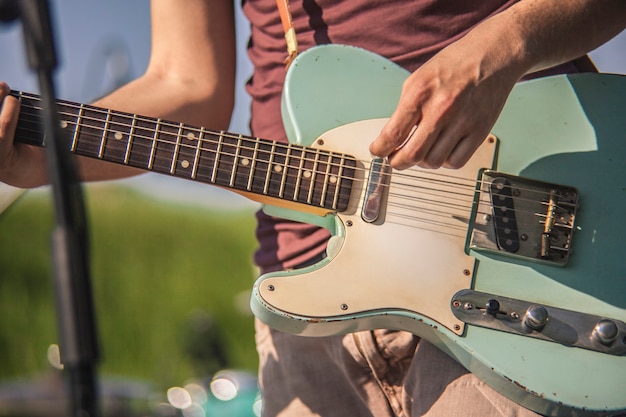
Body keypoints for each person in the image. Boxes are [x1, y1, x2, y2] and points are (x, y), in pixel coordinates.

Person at [1, 1, 625, 416]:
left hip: (519, 244)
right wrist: (45, 152)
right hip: (308, 298)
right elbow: (186, 84)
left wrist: (498, 47)